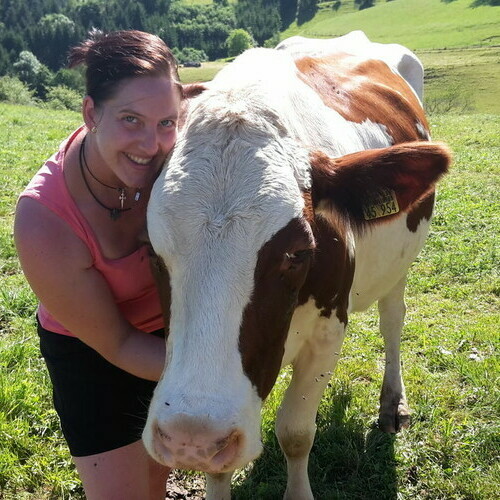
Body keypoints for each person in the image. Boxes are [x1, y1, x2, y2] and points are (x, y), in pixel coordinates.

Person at [14, 29, 182, 499]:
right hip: (92, 354)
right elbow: (120, 345)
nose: (152, 145)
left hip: (170, 336)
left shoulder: (179, 162)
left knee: (154, 478)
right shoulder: (44, 221)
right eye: (131, 120)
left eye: (167, 122)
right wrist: (218, 367)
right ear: (91, 112)